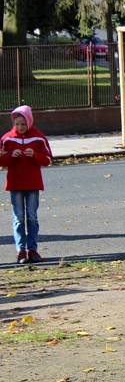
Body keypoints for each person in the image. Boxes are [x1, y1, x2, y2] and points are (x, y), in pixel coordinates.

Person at [0, 105, 52, 264]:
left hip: (33, 184)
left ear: (29, 122)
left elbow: (48, 160)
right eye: (17, 124)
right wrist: (10, 156)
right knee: (18, 218)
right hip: (15, 184)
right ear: (13, 123)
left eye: (23, 124)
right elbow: (1, 161)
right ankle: (21, 250)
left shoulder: (38, 138)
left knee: (32, 217)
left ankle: (33, 250)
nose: (20, 127)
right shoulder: (7, 139)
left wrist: (35, 155)